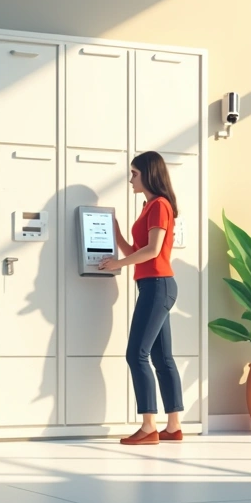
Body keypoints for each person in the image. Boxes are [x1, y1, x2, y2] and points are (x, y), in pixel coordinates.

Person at [97, 150, 183, 445]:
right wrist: (117, 234)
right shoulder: (149, 207)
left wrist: (117, 265)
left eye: (134, 173)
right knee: (162, 357)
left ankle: (149, 427)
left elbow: (153, 250)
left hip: (157, 284)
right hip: (154, 284)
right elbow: (136, 250)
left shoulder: (159, 205)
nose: (130, 179)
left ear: (148, 174)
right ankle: (173, 426)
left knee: (136, 354)